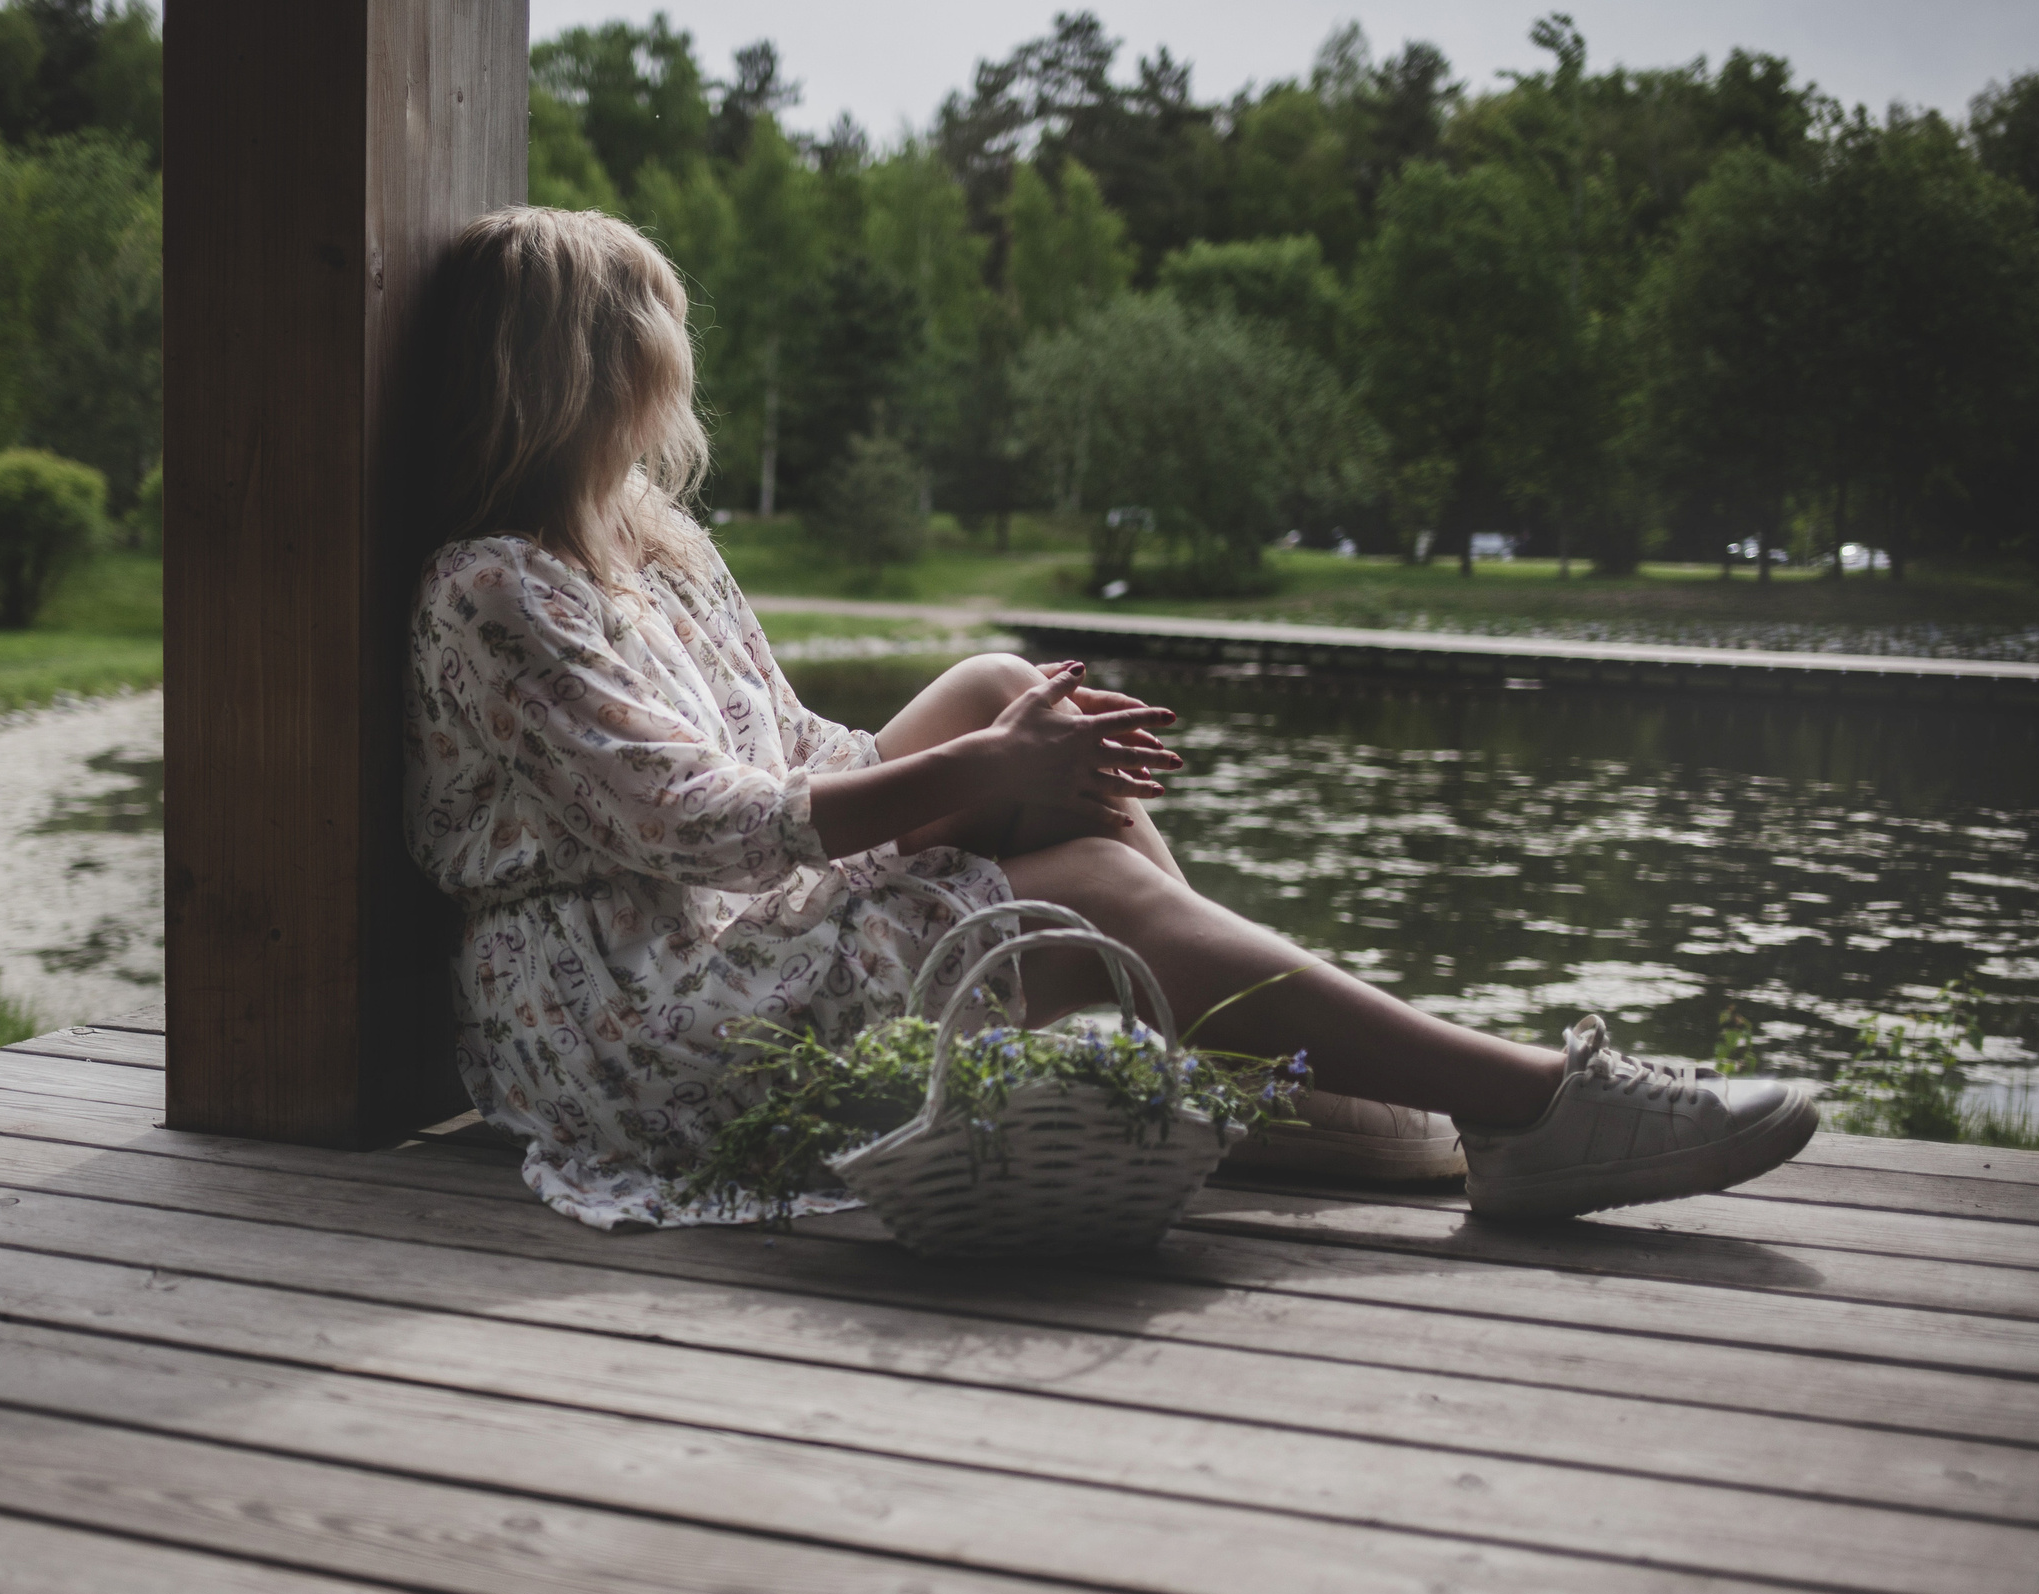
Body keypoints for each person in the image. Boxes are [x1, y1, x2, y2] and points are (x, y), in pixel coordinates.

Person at [404, 207, 1816, 1231]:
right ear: (580, 383)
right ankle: (1525, 1106)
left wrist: (997, 753)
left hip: (732, 918)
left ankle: (1222, 1060)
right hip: (631, 1006)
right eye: (646, 366)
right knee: (1070, 891)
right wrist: (988, 783)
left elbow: (786, 755)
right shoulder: (493, 590)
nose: (668, 401)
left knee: (1002, 684)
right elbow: (695, 824)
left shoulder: (654, 549)